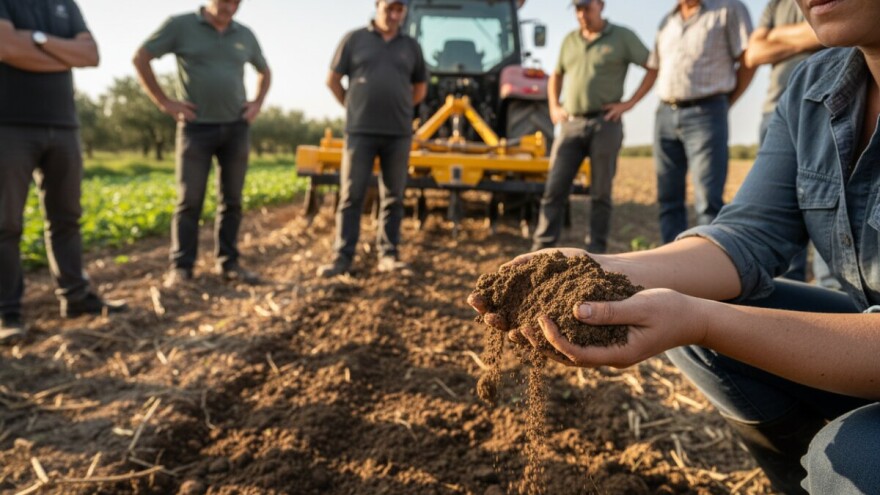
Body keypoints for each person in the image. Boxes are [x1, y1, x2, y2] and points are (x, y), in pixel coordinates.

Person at [471, 1, 880, 492]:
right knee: (700, 328)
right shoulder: (813, 87)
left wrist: (700, 319)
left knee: (851, 456)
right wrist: (600, 269)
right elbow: (747, 236)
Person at [0, 0, 126, 343]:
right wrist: (62, 55)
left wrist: (36, 40)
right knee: (5, 224)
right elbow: (6, 47)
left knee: (67, 218)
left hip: (64, 125)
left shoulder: (65, 4)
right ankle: (7, 312)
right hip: (10, 125)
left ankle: (76, 296)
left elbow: (90, 55)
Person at [133, 0, 271, 287]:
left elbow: (264, 71)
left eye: (236, 2)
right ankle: (182, 267)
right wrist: (165, 102)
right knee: (189, 201)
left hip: (236, 128)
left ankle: (229, 263)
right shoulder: (180, 25)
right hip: (196, 128)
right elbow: (141, 57)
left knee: (232, 200)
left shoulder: (245, 34)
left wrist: (257, 103)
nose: (230, 7)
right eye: (225, 1)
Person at [531, 0, 657, 254]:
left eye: (586, 8)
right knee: (554, 189)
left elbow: (652, 66)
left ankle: (596, 254)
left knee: (600, 194)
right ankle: (540, 250)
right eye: (577, 9)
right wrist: (554, 106)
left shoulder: (622, 37)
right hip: (572, 124)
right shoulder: (570, 40)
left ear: (600, 5)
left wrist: (629, 103)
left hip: (605, 124)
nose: (581, 14)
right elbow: (556, 75)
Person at [316, 0, 427, 278]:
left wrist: (401, 108)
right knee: (351, 196)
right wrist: (353, 106)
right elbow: (332, 80)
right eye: (389, 8)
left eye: (399, 10)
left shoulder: (411, 46)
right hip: (360, 132)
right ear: (377, 5)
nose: (394, 14)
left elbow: (420, 88)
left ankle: (388, 256)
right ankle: (342, 258)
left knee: (393, 197)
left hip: (398, 134)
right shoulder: (354, 39)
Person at [745, 0, 839, 289]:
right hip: (776, 109)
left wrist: (778, 36)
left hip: (831, 105)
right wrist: (807, 35)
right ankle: (792, 283)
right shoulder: (775, 4)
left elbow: (831, 28)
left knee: (832, 210)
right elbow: (754, 53)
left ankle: (835, 289)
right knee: (782, 215)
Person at [649, 0, 755, 244]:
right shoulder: (667, 21)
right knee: (668, 199)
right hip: (665, 113)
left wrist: (726, 101)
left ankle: (708, 262)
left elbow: (748, 59)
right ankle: (670, 258)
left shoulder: (728, 9)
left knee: (708, 201)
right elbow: (656, 66)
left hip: (706, 112)